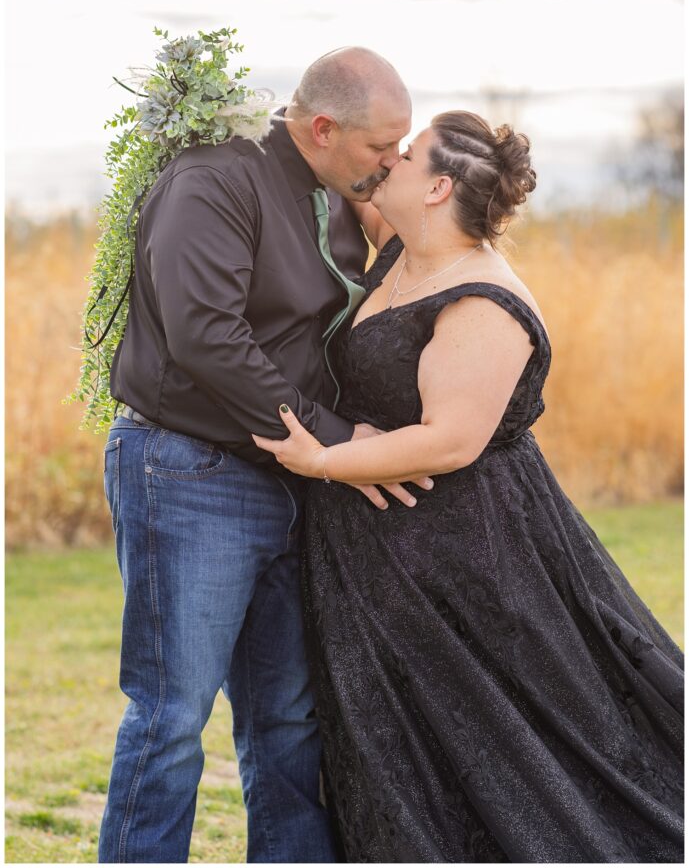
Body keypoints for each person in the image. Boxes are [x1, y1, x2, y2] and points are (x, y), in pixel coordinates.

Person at [253, 111, 685, 863]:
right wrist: (263, 114)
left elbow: (451, 439)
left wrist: (319, 461)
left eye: (407, 154)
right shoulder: (403, 251)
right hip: (378, 558)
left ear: (439, 186)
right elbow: (336, 152)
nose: (388, 161)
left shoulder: (480, 295)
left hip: (472, 558)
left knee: (504, 740)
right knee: (396, 740)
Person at [98, 47, 431, 863]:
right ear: (322, 127)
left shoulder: (335, 201)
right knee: (173, 717)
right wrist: (336, 435)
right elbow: (206, 336)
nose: (391, 163)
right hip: (188, 471)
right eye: (379, 149)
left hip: (293, 483)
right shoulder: (212, 179)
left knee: (287, 718)